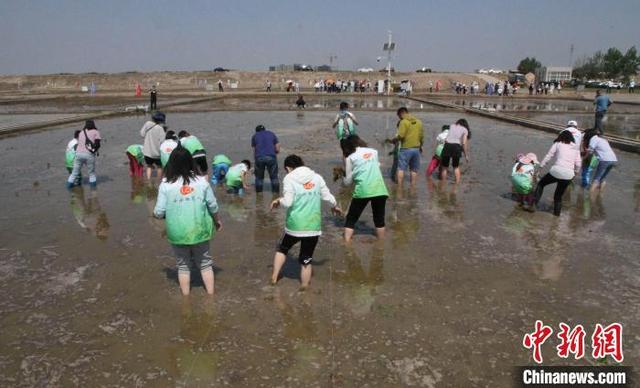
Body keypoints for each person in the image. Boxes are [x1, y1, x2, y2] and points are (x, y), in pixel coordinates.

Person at [153, 147, 222, 296]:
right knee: (205, 264)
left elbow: (158, 212)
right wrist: (217, 221)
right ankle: (211, 298)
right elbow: (213, 205)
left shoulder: (166, 184)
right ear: (191, 162)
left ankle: (186, 300)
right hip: (199, 229)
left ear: (171, 163)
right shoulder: (202, 182)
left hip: (177, 232)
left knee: (183, 266)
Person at [269, 155, 342, 289]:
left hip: (294, 226)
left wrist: (278, 200)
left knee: (282, 248)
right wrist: (335, 205)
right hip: (312, 226)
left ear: (287, 167)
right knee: (306, 259)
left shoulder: (289, 178)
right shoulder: (317, 177)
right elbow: (327, 196)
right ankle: (304, 287)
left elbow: (288, 201)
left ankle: (274, 277)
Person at [340, 135, 389, 242]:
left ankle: (347, 245)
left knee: (351, 219)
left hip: (363, 190)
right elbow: (376, 166)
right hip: (380, 190)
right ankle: (381, 245)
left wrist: (343, 175)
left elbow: (347, 182)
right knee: (379, 220)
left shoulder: (350, 158)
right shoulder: (374, 152)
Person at [533, 131, 582, 216]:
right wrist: (575, 174)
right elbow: (578, 164)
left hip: (556, 171)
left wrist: (540, 168)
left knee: (541, 184)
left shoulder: (558, 143)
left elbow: (548, 156)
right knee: (558, 196)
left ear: (561, 136)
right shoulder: (576, 148)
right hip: (569, 174)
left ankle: (532, 205)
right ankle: (556, 215)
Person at [393, 107, 424, 185]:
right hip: (416, 149)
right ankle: (413, 186)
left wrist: (394, 140)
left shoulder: (404, 122)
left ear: (401, 113)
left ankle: (399, 187)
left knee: (401, 169)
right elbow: (422, 136)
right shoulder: (419, 122)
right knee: (414, 169)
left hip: (406, 148)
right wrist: (421, 146)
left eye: (399, 116)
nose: (399, 118)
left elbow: (401, 135)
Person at [67, 120, 101, 188]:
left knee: (74, 173)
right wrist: (95, 150)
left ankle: (68, 189)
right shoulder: (96, 132)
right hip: (89, 154)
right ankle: (93, 192)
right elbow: (98, 144)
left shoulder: (81, 132)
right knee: (91, 174)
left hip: (78, 154)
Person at [251, 124, 280, 193]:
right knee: (274, 177)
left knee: (259, 178)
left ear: (256, 131)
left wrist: (256, 159)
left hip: (259, 157)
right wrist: (275, 153)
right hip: (271, 157)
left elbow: (254, 149)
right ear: (265, 129)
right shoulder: (271, 134)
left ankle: (259, 195)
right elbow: (277, 147)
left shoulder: (255, 136)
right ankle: (276, 194)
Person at [439, 118, 470, 183]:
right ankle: (457, 184)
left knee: (444, 167)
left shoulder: (452, 126)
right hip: (456, 147)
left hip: (447, 145)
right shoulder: (465, 130)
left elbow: (445, 135)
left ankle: (443, 183)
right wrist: (466, 155)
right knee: (456, 167)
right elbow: (464, 143)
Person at [140, 111, 166, 179]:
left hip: (147, 152)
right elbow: (162, 141)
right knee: (159, 167)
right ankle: (158, 181)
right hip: (157, 153)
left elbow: (142, 134)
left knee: (149, 166)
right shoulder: (160, 128)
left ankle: (148, 181)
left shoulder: (147, 123)